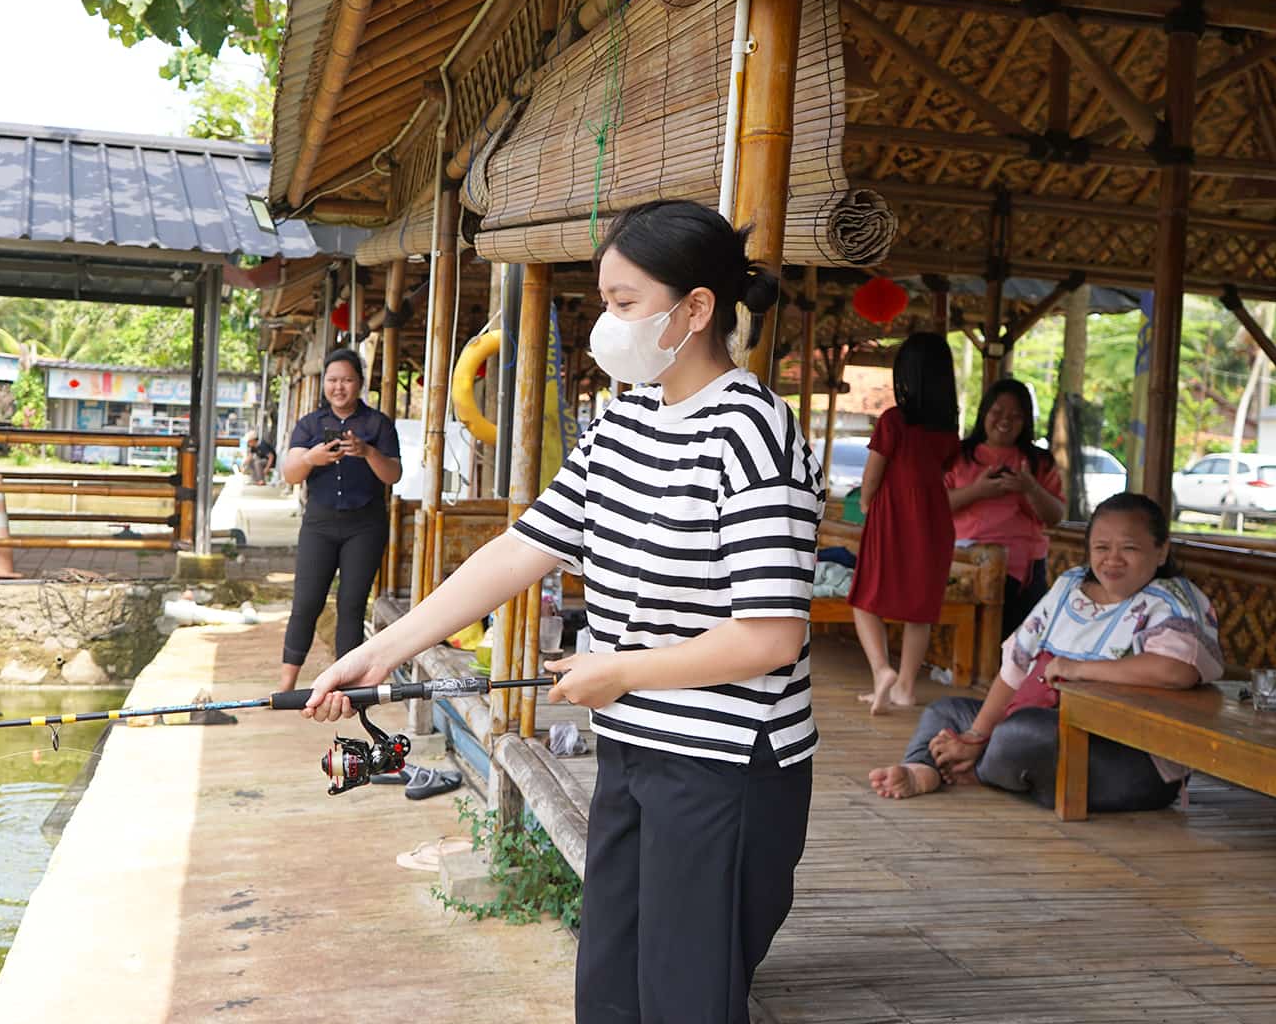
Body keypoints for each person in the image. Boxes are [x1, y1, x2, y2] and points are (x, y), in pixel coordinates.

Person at [302, 200, 824, 1024]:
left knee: (687, 998)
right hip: (633, 747)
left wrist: (621, 669)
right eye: (606, 302)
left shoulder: (753, 432)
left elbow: (769, 636)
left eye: (625, 304)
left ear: (696, 310)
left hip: (727, 767)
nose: (608, 325)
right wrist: (383, 651)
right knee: (611, 989)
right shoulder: (620, 423)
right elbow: (518, 551)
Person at [867, 492, 1224, 811]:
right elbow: (1017, 665)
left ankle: (968, 765)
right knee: (946, 711)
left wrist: (1077, 668)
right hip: (1045, 725)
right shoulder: (1070, 585)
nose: (1112, 559)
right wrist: (975, 735)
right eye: (1101, 547)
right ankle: (924, 771)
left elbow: (1176, 670)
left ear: (1161, 550)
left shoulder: (1173, 600)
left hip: (1133, 762)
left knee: (1022, 734)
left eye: (1129, 548)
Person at [846, 332, 961, 714]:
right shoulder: (948, 429)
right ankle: (906, 688)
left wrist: (864, 504)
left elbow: (873, 473)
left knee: (865, 599)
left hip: (892, 517)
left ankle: (882, 670)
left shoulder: (893, 420)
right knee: (921, 608)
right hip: (934, 522)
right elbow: (941, 470)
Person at [276, 348, 402, 692]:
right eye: (333, 380)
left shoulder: (378, 424)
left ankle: (345, 686)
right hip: (319, 523)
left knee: (351, 604)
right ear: (324, 384)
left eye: (347, 380)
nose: (339, 387)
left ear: (360, 383)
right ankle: (286, 685)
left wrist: (368, 452)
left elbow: (393, 475)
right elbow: (289, 473)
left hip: (365, 524)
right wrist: (313, 458)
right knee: (306, 602)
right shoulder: (310, 425)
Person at [946, 379, 1066, 636]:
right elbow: (932, 507)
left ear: (1026, 422)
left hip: (1024, 569)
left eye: (1016, 415)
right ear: (984, 413)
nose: (1005, 420)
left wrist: (1030, 488)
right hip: (964, 564)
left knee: (1015, 643)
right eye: (997, 412)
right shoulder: (958, 455)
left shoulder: (1039, 461)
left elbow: (1055, 516)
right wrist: (977, 491)